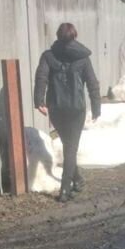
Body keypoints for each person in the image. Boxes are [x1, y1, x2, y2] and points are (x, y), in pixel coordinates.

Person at [34, 22, 101, 202]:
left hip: (56, 109)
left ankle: (77, 179)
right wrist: (96, 107)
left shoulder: (48, 56)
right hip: (76, 110)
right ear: (74, 36)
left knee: (69, 146)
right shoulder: (83, 58)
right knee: (70, 148)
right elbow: (93, 83)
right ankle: (65, 189)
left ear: (57, 36)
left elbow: (41, 77)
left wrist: (39, 100)